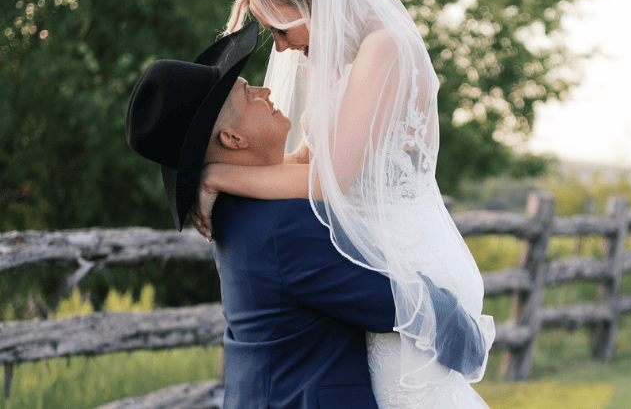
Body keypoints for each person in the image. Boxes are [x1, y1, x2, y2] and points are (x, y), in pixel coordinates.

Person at [191, 0, 495, 408]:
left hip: (404, 267)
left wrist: (216, 175)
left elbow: (328, 183)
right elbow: (301, 165)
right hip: (370, 260)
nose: (283, 48)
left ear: (311, 0)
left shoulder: (384, 48)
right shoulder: (340, 59)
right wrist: (225, 183)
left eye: (281, 29)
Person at [125, 23, 485, 409]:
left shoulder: (240, 206)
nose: (265, 91)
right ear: (233, 139)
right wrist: (471, 339)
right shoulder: (282, 220)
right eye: (248, 94)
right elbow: (393, 304)